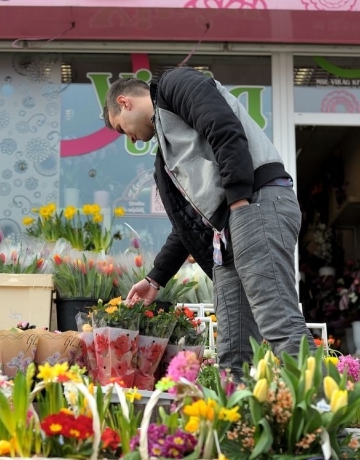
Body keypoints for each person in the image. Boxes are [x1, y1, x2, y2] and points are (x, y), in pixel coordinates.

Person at [103, 66, 313, 380]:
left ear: (125, 102)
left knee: (278, 321)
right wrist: (156, 278)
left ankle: (327, 419)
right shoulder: (166, 158)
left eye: (120, 128)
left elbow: (223, 127)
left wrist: (239, 201)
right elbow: (185, 225)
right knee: (233, 350)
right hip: (228, 230)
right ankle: (235, 426)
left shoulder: (176, 84)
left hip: (255, 204)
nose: (130, 139)